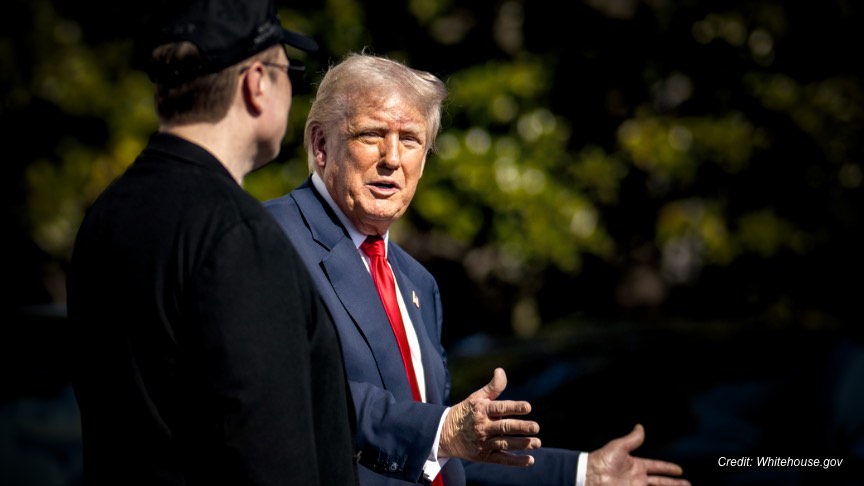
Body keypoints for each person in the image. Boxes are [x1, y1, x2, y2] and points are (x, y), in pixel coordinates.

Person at [263, 51, 690, 485]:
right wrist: (441, 430)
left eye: (410, 140)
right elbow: (284, 393)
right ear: (320, 144)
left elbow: (440, 456)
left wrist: (583, 473)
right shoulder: (269, 240)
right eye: (372, 134)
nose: (392, 158)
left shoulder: (417, 283)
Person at [66, 1, 358, 484]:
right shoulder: (237, 236)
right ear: (256, 83)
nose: (292, 89)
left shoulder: (107, 215)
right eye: (291, 70)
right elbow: (270, 455)